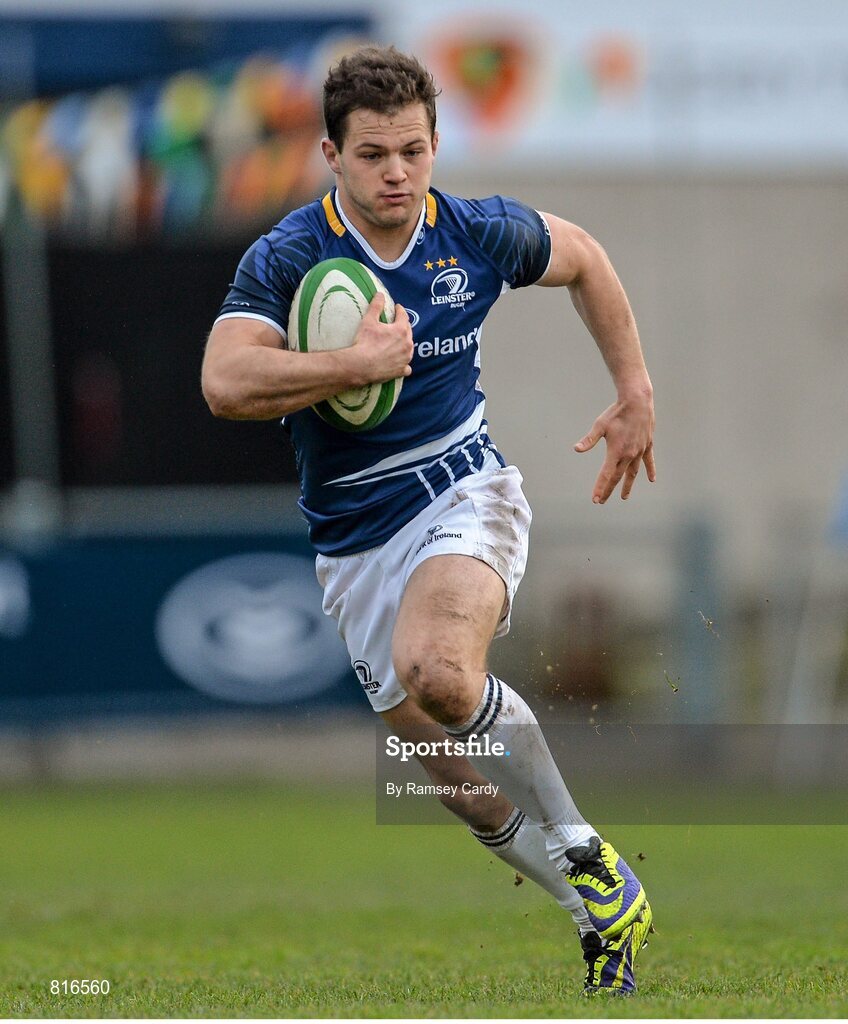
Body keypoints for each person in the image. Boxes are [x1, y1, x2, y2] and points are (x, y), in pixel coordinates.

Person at [202, 45, 656, 996]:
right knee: (453, 778)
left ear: (438, 143)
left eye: (413, 149)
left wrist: (633, 389)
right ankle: (599, 912)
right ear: (330, 153)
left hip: (461, 488)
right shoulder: (290, 255)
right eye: (372, 154)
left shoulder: (476, 234)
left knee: (443, 674)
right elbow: (225, 381)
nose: (397, 172)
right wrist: (349, 367)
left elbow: (587, 258)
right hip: (349, 540)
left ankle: (581, 843)